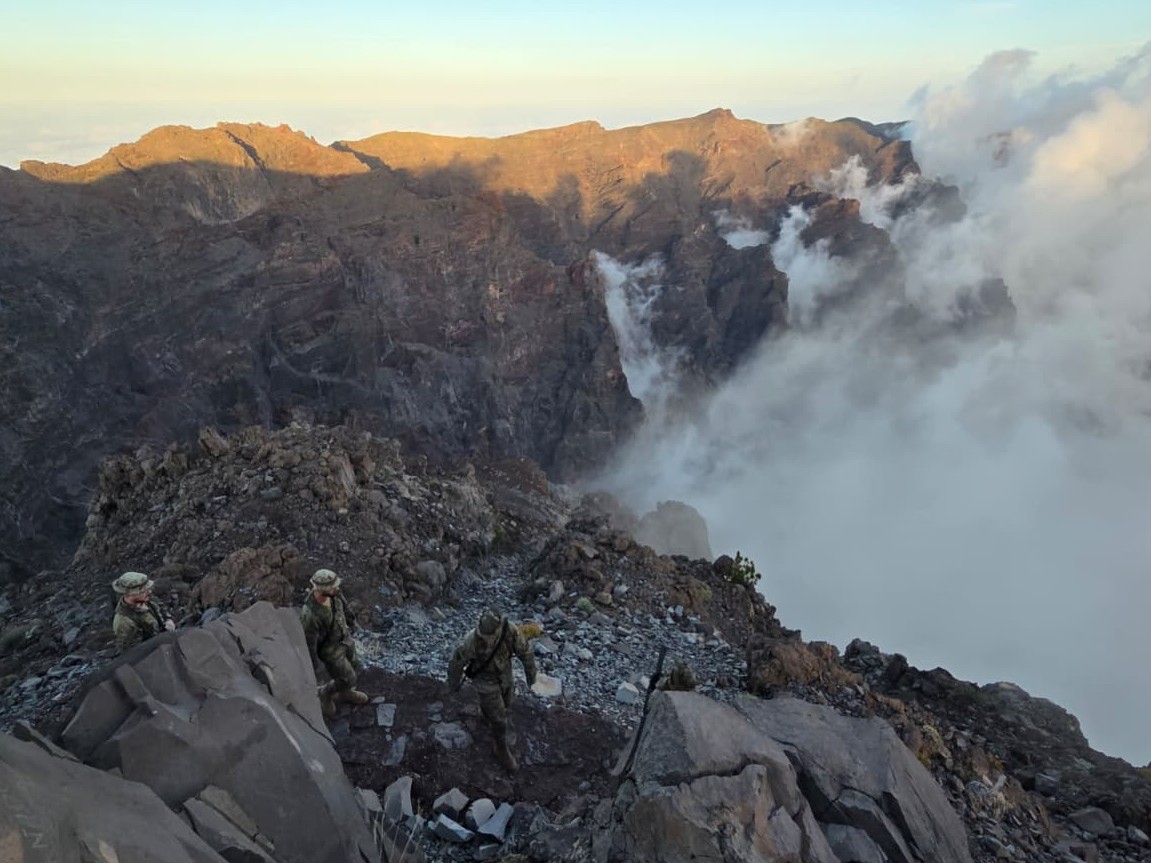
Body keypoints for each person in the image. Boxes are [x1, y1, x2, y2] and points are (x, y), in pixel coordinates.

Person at [447, 606, 537, 772]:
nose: (485, 639)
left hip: (505, 676)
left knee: (507, 703)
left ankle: (486, 714)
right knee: (499, 719)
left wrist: (531, 676)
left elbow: (526, 653)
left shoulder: (511, 631)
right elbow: (456, 662)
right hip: (485, 682)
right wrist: (452, 685)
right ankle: (501, 748)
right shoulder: (471, 641)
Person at [299, 568, 369, 718]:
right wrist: (314, 667)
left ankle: (345, 692)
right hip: (330, 651)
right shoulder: (309, 614)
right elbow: (309, 643)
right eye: (333, 586)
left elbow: (344, 608)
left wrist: (352, 622)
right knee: (347, 677)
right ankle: (325, 693)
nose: (337, 588)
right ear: (322, 589)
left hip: (345, 639)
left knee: (356, 666)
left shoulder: (335, 594)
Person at [111, 571, 176, 649]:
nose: (149, 592)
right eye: (143, 591)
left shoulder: (146, 598)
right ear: (131, 594)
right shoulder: (124, 622)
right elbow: (133, 653)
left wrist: (168, 619)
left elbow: (160, 606)